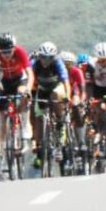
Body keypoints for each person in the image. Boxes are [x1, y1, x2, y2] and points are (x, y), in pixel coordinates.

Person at [29, 42, 71, 170]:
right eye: (43, 57)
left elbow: (65, 81)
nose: (46, 61)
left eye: (49, 58)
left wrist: (67, 97)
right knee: (38, 116)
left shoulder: (58, 63)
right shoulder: (35, 64)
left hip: (56, 87)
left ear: (54, 57)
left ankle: (59, 122)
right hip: (42, 88)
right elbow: (29, 78)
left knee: (55, 96)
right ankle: (41, 146)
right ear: (39, 56)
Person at [0, 33, 34, 152]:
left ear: (14, 48)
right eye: (3, 52)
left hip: (19, 79)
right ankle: (1, 150)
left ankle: (25, 124)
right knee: (2, 116)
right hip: (5, 81)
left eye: (9, 52)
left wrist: (28, 89)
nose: (6, 55)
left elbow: (30, 74)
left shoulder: (20, 52)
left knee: (22, 93)